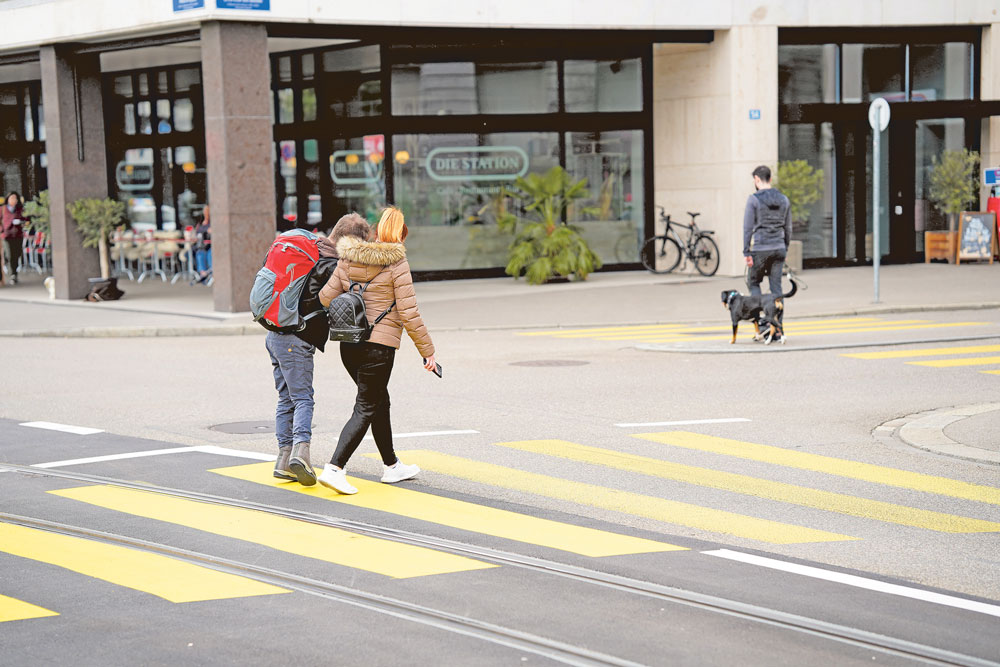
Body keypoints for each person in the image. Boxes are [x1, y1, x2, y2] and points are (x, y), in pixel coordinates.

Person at [316, 206, 438, 495]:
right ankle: (335, 468)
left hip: (349, 344)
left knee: (378, 401)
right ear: (400, 234)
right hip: (378, 347)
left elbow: (324, 298)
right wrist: (428, 351)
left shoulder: (347, 259)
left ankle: (392, 465)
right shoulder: (397, 265)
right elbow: (409, 314)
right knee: (367, 405)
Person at [270, 213, 372, 485]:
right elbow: (342, 297)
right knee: (303, 398)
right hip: (296, 340)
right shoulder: (328, 263)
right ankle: (301, 454)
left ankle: (283, 459)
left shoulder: (310, 248)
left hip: (274, 334)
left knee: (286, 398)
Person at [743, 166, 792, 343]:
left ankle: (764, 326)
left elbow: (747, 228)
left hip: (760, 249)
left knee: (753, 282)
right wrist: (784, 247)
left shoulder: (753, 200)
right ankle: (778, 329)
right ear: (769, 179)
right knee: (776, 289)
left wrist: (746, 251)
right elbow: (788, 228)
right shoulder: (784, 199)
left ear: (757, 179)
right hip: (779, 247)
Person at [1, 192, 25, 284]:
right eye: (12, 198)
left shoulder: (20, 209)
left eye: (15, 198)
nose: (13, 200)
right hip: (7, 236)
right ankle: (12, 274)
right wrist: (2, 229)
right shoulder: (3, 209)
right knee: (10, 254)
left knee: (17, 254)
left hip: (18, 235)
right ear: (8, 199)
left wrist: (21, 222)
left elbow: (26, 219)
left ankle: (14, 272)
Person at [193, 205, 212, 284]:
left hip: (211, 245)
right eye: (205, 211)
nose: (206, 213)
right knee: (200, 254)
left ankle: (210, 274)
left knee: (210, 254)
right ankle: (203, 274)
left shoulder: (213, 223)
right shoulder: (200, 223)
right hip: (202, 246)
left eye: (207, 211)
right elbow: (196, 234)